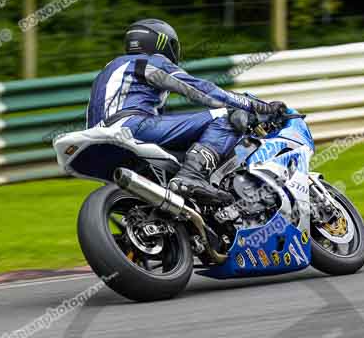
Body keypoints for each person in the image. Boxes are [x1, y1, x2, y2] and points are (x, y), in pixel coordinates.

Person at [87, 18, 285, 204]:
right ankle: (192, 176)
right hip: (131, 126)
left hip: (99, 138)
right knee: (226, 115)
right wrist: (257, 106)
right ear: (162, 43)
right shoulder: (149, 61)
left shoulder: (107, 71)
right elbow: (201, 90)